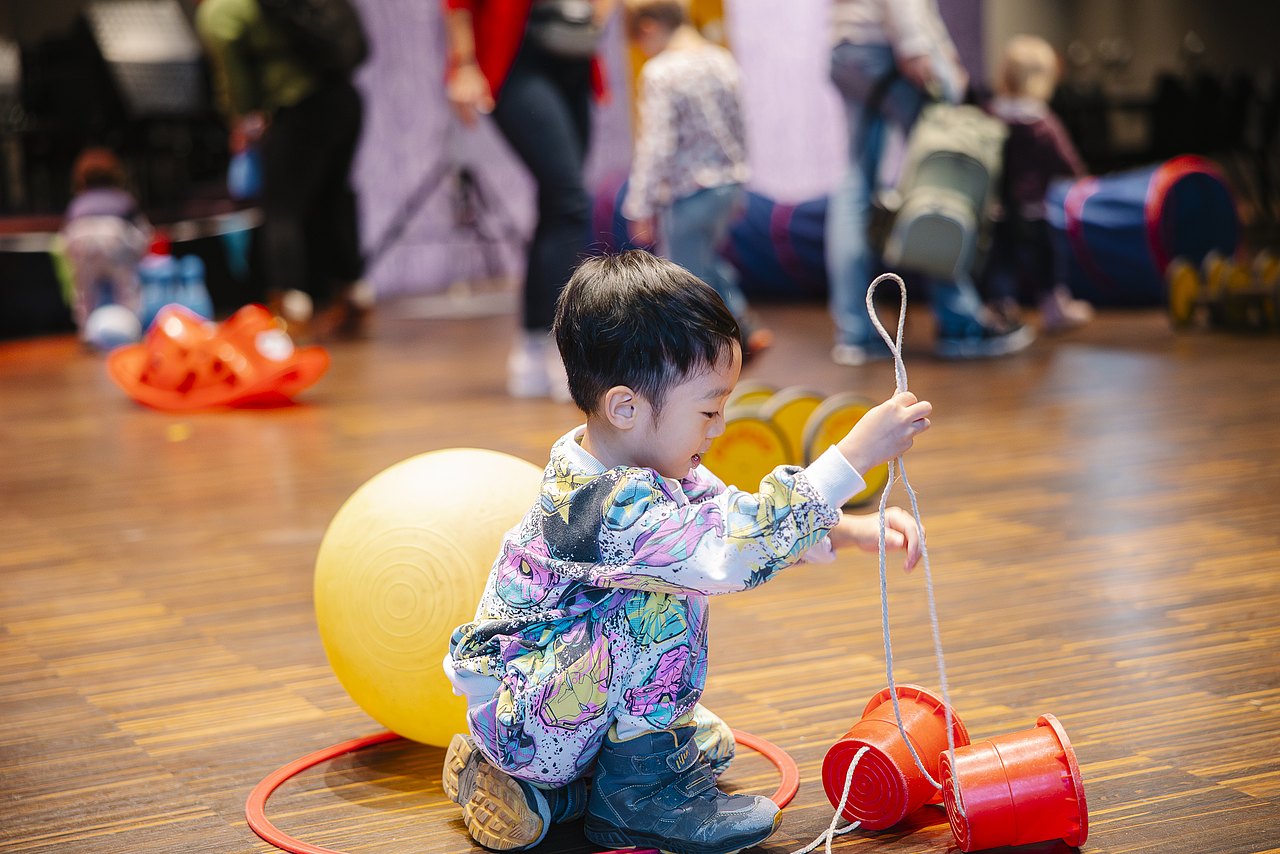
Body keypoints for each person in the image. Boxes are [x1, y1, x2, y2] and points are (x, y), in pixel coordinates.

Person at [441, 249, 931, 852]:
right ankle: (633, 796)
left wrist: (843, 530)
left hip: (560, 701)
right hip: (524, 712)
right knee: (657, 606)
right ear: (626, 407)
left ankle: (555, 796)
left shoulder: (656, 470)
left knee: (708, 742)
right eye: (708, 409)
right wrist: (850, 458)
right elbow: (724, 552)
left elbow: (732, 520)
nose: (719, 427)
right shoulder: (604, 507)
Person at [825, 0, 1033, 363]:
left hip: (847, 47)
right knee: (940, 184)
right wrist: (917, 46)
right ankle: (959, 322)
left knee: (855, 184)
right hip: (889, 48)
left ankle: (856, 332)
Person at [443, 0, 616, 400]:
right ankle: (565, 346)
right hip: (516, 59)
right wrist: (463, 64)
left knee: (557, 202)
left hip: (573, 53)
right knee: (570, 200)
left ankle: (534, 345)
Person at [196, 0, 371, 342]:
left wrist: (242, 117)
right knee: (333, 197)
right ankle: (352, 293)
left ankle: (289, 307)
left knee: (281, 208)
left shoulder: (221, 10)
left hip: (297, 107)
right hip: (346, 99)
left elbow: (233, 78)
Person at [621, 0, 771, 360]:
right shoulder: (722, 60)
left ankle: (697, 356)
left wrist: (639, 205)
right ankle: (743, 327)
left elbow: (656, 145)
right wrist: (739, 187)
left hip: (688, 192)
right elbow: (740, 126)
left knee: (683, 279)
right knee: (707, 259)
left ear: (648, 27)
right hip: (727, 185)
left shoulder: (662, 71)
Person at [983, 34, 1093, 332]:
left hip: (998, 208)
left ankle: (1000, 307)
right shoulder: (1043, 121)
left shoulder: (992, 114)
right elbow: (1067, 161)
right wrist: (1082, 177)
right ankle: (1054, 306)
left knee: (1001, 260)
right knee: (1047, 257)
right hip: (1034, 207)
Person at [60, 147, 152, 338]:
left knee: (84, 294)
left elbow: (66, 236)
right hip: (114, 241)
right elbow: (143, 232)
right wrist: (140, 253)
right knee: (127, 290)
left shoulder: (77, 203)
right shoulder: (123, 199)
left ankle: (86, 333)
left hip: (81, 242)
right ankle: (133, 330)